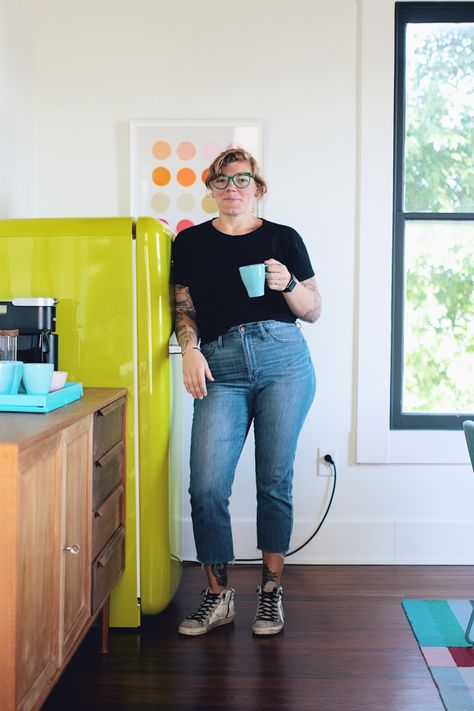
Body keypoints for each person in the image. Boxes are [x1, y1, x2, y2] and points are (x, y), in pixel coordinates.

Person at [172, 147, 321, 637]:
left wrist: (288, 282)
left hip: (283, 359)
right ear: (211, 189)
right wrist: (189, 349)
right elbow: (184, 308)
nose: (230, 189)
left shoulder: (283, 238)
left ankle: (270, 594)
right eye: (221, 181)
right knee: (208, 485)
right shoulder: (189, 242)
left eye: (240, 180)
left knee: (273, 481)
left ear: (257, 187)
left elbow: (313, 309)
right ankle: (218, 596)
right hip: (219, 364)